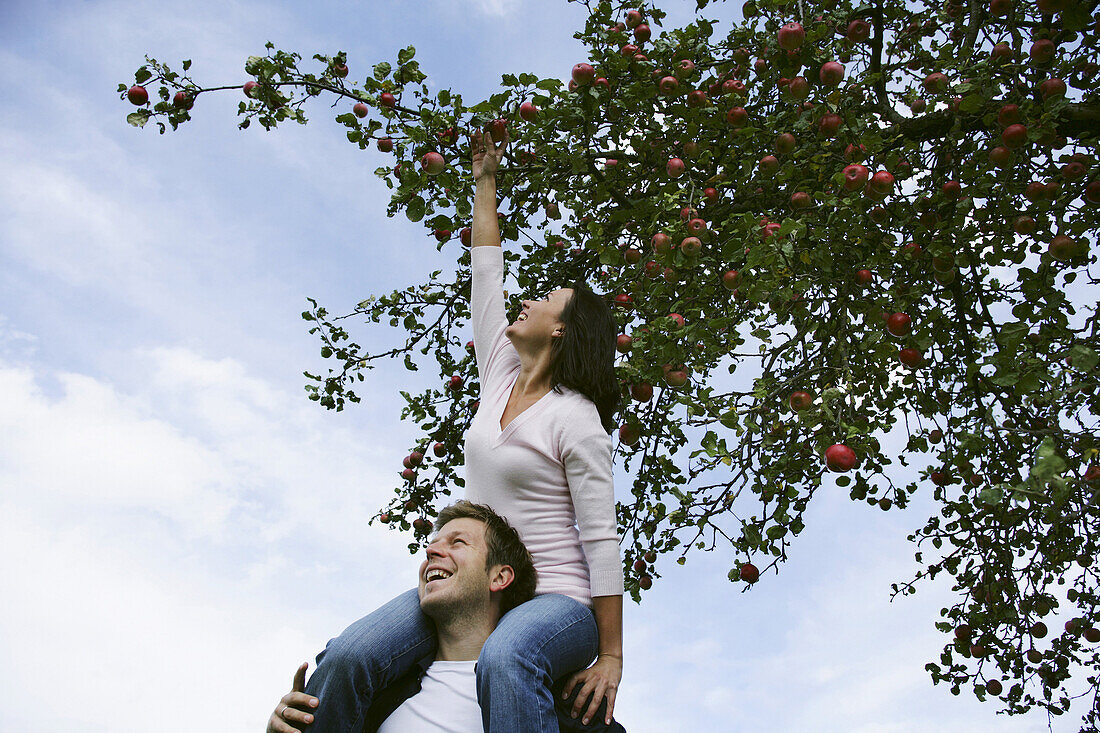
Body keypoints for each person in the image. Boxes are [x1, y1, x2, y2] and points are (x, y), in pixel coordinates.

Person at [295, 127, 625, 733]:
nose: (529, 300)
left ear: (562, 330)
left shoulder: (576, 418)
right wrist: (484, 182)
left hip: (554, 601)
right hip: (478, 585)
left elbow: (601, 539)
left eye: (547, 298)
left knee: (505, 658)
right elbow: (486, 277)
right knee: (347, 657)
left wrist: (611, 654)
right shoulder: (500, 373)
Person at [265, 501, 624, 733]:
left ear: (499, 577)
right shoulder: (374, 693)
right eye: (435, 544)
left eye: (457, 543)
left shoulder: (550, 703)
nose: (432, 550)